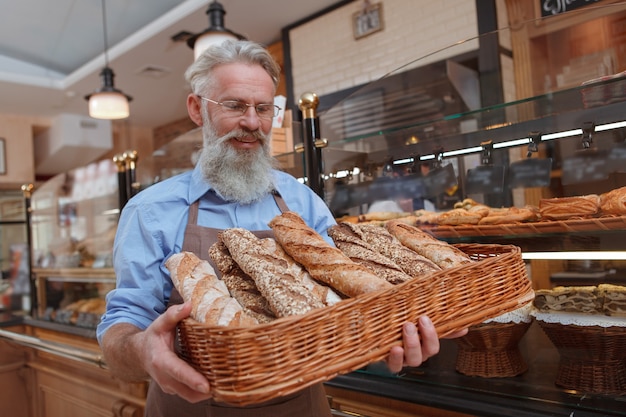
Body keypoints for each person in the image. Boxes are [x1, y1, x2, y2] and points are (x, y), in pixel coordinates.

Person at [97, 40, 464, 417]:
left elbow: (349, 306)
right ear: (197, 109)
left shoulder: (301, 203)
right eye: (235, 105)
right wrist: (142, 350)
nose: (252, 123)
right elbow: (121, 330)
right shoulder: (151, 210)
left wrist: (391, 333)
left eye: (263, 108)